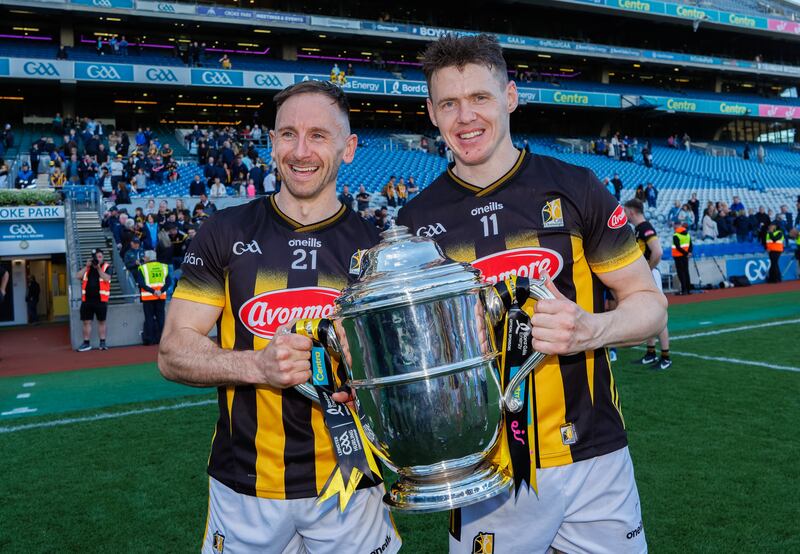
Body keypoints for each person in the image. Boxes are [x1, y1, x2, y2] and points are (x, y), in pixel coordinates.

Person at [397, 34, 666, 553]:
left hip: (594, 458)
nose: (465, 117)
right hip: (486, 469)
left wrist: (594, 328)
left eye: (480, 97)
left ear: (511, 96)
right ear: (431, 113)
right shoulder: (415, 223)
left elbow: (649, 302)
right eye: (449, 103)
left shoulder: (576, 185)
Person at [158, 80, 400, 554]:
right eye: (288, 134)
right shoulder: (224, 231)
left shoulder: (377, 250)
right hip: (244, 487)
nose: (301, 150)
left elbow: (398, 375)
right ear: (271, 145)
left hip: (352, 481)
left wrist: (370, 367)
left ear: (348, 148)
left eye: (318, 135)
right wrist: (258, 367)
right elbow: (173, 351)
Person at [625, 200, 671, 369]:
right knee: (649, 315)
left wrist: (648, 270)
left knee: (658, 316)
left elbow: (658, 251)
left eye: (625, 211)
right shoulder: (639, 229)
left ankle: (665, 357)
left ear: (631, 212)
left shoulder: (644, 227)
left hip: (651, 274)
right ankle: (651, 353)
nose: (624, 214)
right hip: (647, 274)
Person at [75, 249, 112, 351]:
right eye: (96, 257)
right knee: (86, 322)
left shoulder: (106, 267)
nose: (98, 259)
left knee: (102, 321)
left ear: (103, 257)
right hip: (87, 300)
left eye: (100, 257)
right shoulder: (88, 268)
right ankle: (86, 343)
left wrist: (99, 268)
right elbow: (77, 276)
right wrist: (87, 266)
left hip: (101, 300)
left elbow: (107, 278)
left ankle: (103, 343)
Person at [136, 251, 170, 345]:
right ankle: (162, 339)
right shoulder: (164, 267)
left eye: (145, 257)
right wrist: (160, 291)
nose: (144, 258)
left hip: (148, 298)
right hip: (160, 297)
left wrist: (153, 291)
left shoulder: (142, 268)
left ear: (147, 258)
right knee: (161, 319)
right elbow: (168, 282)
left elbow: (141, 283)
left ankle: (150, 340)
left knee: (149, 319)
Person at [672, 221, 693, 295]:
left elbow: (677, 247)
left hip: (678, 256)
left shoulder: (676, 235)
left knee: (681, 273)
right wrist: (689, 253)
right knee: (686, 272)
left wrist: (686, 253)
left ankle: (684, 290)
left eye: (674, 225)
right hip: (685, 256)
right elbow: (690, 245)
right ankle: (689, 289)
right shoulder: (687, 234)